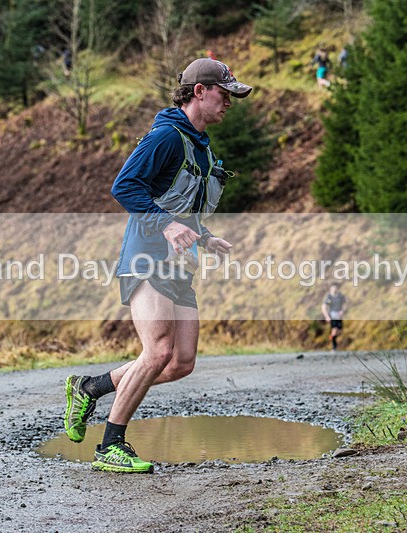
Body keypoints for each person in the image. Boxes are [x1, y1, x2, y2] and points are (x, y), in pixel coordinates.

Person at [63, 58, 252, 473]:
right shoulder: (166, 136)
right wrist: (165, 226)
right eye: (225, 95)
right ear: (199, 92)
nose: (229, 104)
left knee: (181, 362)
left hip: (180, 263)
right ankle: (110, 445)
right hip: (146, 255)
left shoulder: (202, 148)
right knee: (158, 350)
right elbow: (124, 186)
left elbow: (182, 205)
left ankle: (90, 388)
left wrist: (204, 237)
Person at [321, 283, 347, 350]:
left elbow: (344, 305)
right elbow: (324, 307)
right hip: (332, 315)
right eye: (333, 289)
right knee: (334, 330)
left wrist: (342, 311)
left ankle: (331, 337)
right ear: (330, 289)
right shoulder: (328, 297)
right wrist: (327, 316)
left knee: (339, 331)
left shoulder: (340, 296)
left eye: (335, 288)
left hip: (339, 315)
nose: (334, 290)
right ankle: (334, 346)